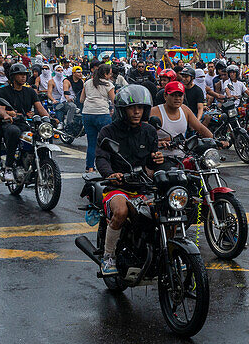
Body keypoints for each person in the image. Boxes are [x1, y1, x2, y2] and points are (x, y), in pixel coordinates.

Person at [95, 85, 166, 275]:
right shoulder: (108, 132)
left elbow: (151, 161)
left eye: (140, 108)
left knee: (168, 211)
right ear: (122, 109)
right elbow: (101, 158)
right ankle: (108, 256)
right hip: (117, 186)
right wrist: (110, 174)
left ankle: (167, 252)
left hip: (143, 186)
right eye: (132, 108)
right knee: (121, 211)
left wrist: (157, 160)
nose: (137, 112)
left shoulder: (149, 131)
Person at [0, 63, 51, 181]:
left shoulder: (30, 92)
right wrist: (6, 115)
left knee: (43, 132)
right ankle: (8, 167)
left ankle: (45, 164)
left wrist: (49, 118)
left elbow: (40, 108)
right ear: (13, 77)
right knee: (14, 131)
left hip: (25, 122)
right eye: (19, 75)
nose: (23, 77)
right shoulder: (3, 91)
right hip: (9, 123)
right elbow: (0, 110)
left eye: (24, 74)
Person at [80, 63, 116, 172]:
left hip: (87, 114)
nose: (111, 75)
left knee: (91, 142)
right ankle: (109, 167)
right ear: (105, 74)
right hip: (102, 115)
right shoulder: (108, 85)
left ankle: (90, 167)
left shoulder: (87, 83)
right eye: (110, 74)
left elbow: (81, 100)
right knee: (108, 142)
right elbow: (114, 101)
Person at [149, 80, 215, 139]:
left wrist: (216, 141)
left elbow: (200, 128)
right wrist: (160, 143)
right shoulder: (154, 112)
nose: (177, 98)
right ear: (165, 96)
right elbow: (144, 138)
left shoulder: (185, 110)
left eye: (180, 95)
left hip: (182, 151)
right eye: (173, 95)